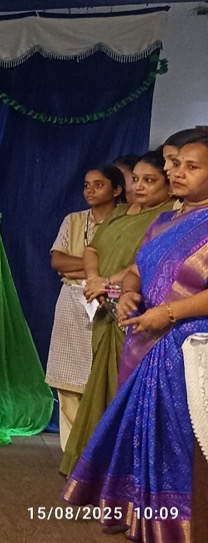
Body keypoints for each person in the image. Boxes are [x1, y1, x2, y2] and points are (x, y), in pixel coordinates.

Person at [63, 137, 208, 541]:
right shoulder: (162, 223)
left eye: (192, 167)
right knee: (142, 433)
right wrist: (128, 293)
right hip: (143, 338)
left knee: (175, 441)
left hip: (186, 349)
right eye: (176, 164)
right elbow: (137, 271)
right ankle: (137, 516)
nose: (177, 173)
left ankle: (176, 525)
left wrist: (169, 313)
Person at [64, 152, 177, 474]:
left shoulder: (167, 217)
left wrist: (108, 283)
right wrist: (94, 279)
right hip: (103, 307)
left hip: (134, 309)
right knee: (99, 384)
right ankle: (88, 465)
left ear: (168, 185)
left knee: (121, 387)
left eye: (149, 180)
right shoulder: (120, 212)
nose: (138, 186)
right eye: (135, 179)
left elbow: (143, 262)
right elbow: (92, 249)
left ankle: (118, 470)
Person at [45, 165, 124, 452]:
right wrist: (94, 268)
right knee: (67, 383)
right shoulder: (74, 220)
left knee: (102, 380)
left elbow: (125, 268)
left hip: (109, 300)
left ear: (117, 189)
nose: (90, 190)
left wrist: (84, 269)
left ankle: (97, 456)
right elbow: (58, 262)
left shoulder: (125, 222)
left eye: (98, 185)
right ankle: (72, 455)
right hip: (71, 301)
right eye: (86, 185)